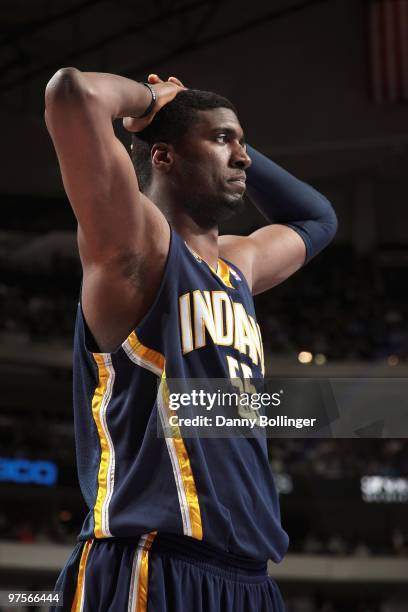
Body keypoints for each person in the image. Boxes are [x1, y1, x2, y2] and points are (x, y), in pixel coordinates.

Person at [45, 69, 337, 612]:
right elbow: (72, 94)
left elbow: (317, 217)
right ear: (163, 157)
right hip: (153, 561)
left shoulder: (238, 266)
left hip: (251, 578)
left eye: (242, 143)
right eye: (223, 140)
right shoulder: (136, 246)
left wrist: (223, 131)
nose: (243, 157)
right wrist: (158, 102)